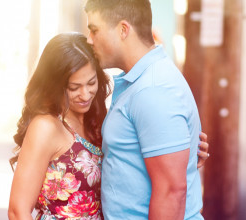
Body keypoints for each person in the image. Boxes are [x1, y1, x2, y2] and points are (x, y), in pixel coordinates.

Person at [7, 32, 209, 219]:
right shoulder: (46, 127)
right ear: (54, 84)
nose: (85, 95)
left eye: (91, 82)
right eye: (74, 87)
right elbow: (18, 211)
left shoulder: (101, 120)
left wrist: (184, 153)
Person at [84, 0, 205, 219]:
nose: (89, 39)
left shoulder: (153, 89)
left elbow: (171, 192)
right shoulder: (143, 82)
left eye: (94, 30)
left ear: (123, 30)